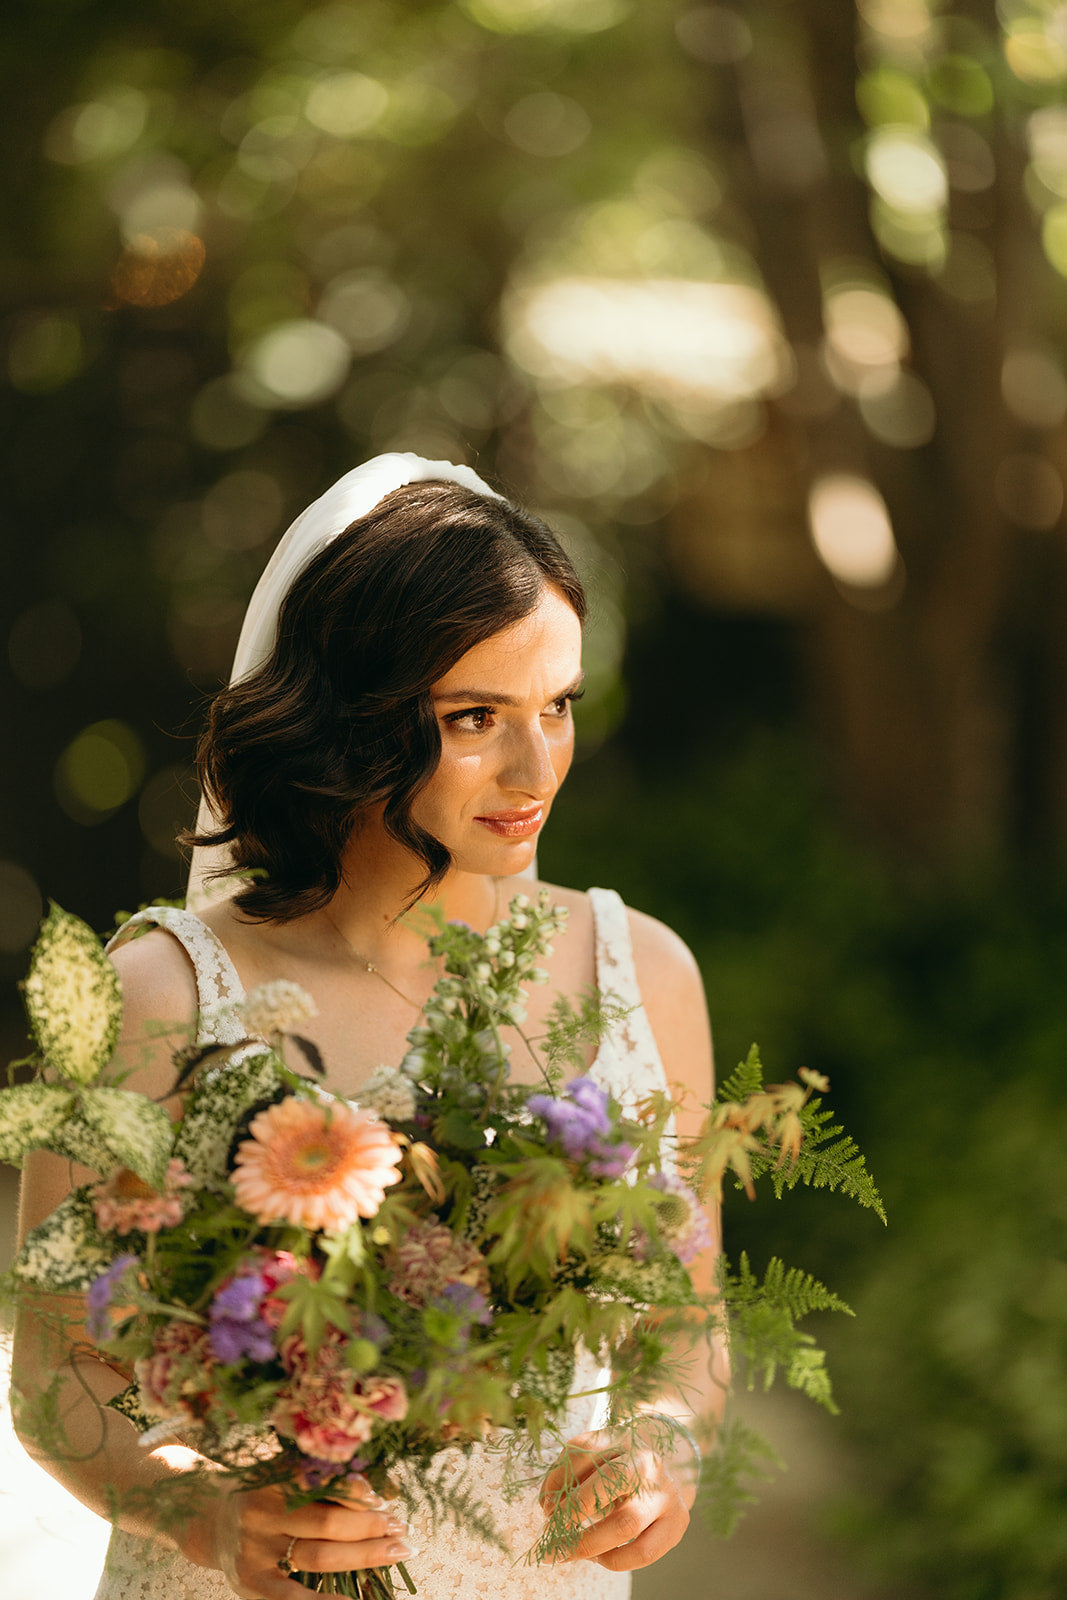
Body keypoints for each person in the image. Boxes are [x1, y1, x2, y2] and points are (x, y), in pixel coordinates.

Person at [13, 453, 725, 1600]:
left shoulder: (641, 974)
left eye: (557, 707)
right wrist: (200, 1514)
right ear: (351, 719)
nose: (536, 765)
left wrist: (660, 1443)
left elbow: (689, 1335)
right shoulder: (161, 994)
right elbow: (53, 1368)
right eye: (475, 717)